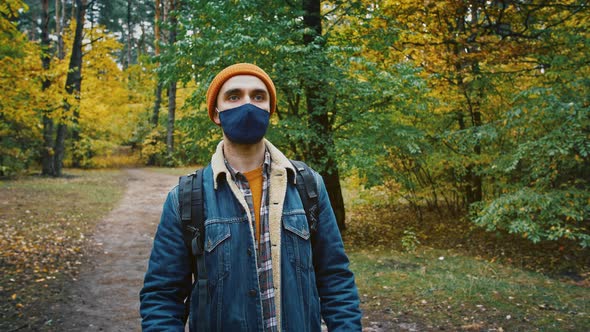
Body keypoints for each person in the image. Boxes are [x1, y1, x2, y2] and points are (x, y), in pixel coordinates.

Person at [139, 63, 362, 331]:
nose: (247, 105)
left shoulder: (307, 186)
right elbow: (162, 298)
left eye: (258, 96)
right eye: (234, 96)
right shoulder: (186, 198)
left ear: (270, 110)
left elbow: (336, 281)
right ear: (216, 113)